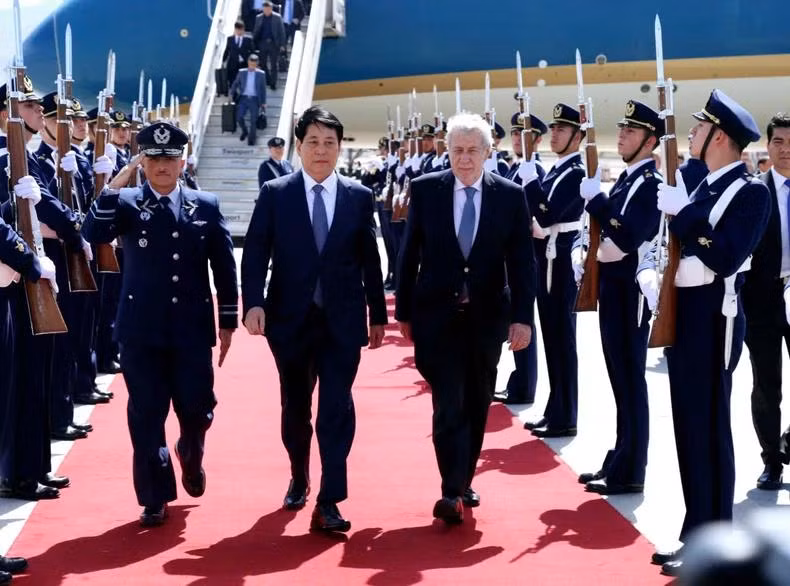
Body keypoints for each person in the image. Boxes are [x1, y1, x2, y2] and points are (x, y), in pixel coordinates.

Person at [641, 90, 771, 577]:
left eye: (698, 128)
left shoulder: (749, 192)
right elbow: (670, 247)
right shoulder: (702, 186)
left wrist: (686, 215)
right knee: (688, 431)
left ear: (719, 136)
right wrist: (652, 274)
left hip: (714, 329)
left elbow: (724, 257)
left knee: (708, 433)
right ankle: (696, 531)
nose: (691, 135)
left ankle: (712, 538)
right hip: (685, 323)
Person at [82, 121, 238, 527]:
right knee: (146, 415)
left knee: (198, 408)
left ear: (182, 161)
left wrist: (227, 321)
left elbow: (223, 265)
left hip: (190, 329)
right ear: (142, 162)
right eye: (153, 159)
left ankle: (190, 449)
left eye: (169, 159)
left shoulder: (205, 204)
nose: (162, 166)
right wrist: (115, 183)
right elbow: (91, 231)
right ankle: (154, 495)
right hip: (141, 330)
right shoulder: (128, 202)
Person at [242, 106, 387, 533]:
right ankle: (299, 472)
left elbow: (370, 261)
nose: (321, 151)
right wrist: (253, 302)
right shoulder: (276, 192)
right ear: (299, 146)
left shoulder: (359, 196)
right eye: (313, 142)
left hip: (342, 320)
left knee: (337, 407)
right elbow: (255, 252)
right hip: (290, 321)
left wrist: (377, 314)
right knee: (296, 408)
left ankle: (330, 499)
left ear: (340, 148)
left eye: (329, 143)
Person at [395, 112, 536, 525]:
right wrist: (403, 311)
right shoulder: (426, 191)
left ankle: (463, 478)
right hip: (437, 318)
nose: (465, 158)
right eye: (457, 150)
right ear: (447, 152)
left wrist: (523, 319)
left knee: (476, 403)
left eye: (474, 150)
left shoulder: (510, 196)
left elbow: (522, 263)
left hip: (487, 318)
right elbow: (408, 256)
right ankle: (450, 488)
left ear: (489, 153)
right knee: (448, 403)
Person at [574, 100, 664, 495]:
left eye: (631, 131)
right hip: (613, 290)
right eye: (623, 128)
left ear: (651, 141)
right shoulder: (628, 181)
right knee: (619, 381)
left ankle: (631, 468)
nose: (622, 135)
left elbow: (627, 236)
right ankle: (620, 454)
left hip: (631, 297)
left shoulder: (650, 185)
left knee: (630, 381)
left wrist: (596, 200)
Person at [0, 78, 84, 501]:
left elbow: (41, 200)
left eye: (35, 106)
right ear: (7, 112)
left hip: (25, 276)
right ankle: (18, 471)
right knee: (19, 382)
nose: (35, 112)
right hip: (14, 279)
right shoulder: (5, 157)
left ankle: (29, 467)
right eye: (27, 106)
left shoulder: (19, 157)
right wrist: (31, 260)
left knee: (33, 376)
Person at [522, 103, 586, 438]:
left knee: (563, 339)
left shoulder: (576, 172)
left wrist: (531, 183)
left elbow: (547, 215)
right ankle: (555, 407)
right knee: (552, 338)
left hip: (560, 260)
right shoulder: (559, 168)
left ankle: (566, 414)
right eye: (554, 128)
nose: (554, 134)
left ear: (578, 137)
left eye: (562, 130)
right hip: (548, 258)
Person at [742, 114, 790, 491]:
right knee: (767, 385)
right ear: (768, 146)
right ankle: (772, 460)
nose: (786, 150)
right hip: (763, 300)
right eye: (779, 142)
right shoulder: (754, 191)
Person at [495, 111, 548, 406]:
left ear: (536, 140)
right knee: (515, 319)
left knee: (524, 320)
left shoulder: (534, 171)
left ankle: (525, 385)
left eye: (523, 134)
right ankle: (519, 380)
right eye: (515, 134)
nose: (517, 138)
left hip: (527, 256)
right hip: (511, 256)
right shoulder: (516, 169)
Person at [230, 54, 267, 146]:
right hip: (243, 98)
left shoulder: (261, 74)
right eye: (251, 63)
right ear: (248, 62)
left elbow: (263, 89)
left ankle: (251, 140)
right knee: (239, 117)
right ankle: (245, 131)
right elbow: (235, 83)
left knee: (253, 120)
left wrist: (263, 102)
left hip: (255, 100)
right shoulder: (242, 72)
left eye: (254, 64)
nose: (252, 65)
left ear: (257, 63)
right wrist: (231, 94)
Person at [252, 1, 286, 91]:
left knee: (274, 65)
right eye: (265, 9)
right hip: (262, 43)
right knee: (262, 64)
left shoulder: (277, 17)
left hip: (273, 44)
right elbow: (256, 31)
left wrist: (282, 45)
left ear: (271, 9)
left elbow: (282, 32)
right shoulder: (258, 18)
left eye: (268, 9)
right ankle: (267, 80)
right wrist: (254, 43)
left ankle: (273, 83)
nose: (266, 11)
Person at [223, 21, 254, 94]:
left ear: (243, 30)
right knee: (232, 82)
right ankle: (233, 97)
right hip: (232, 64)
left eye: (241, 30)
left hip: (244, 64)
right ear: (235, 29)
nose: (239, 32)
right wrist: (223, 61)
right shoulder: (230, 39)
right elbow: (227, 51)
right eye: (238, 30)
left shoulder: (248, 40)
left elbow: (252, 52)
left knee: (243, 82)